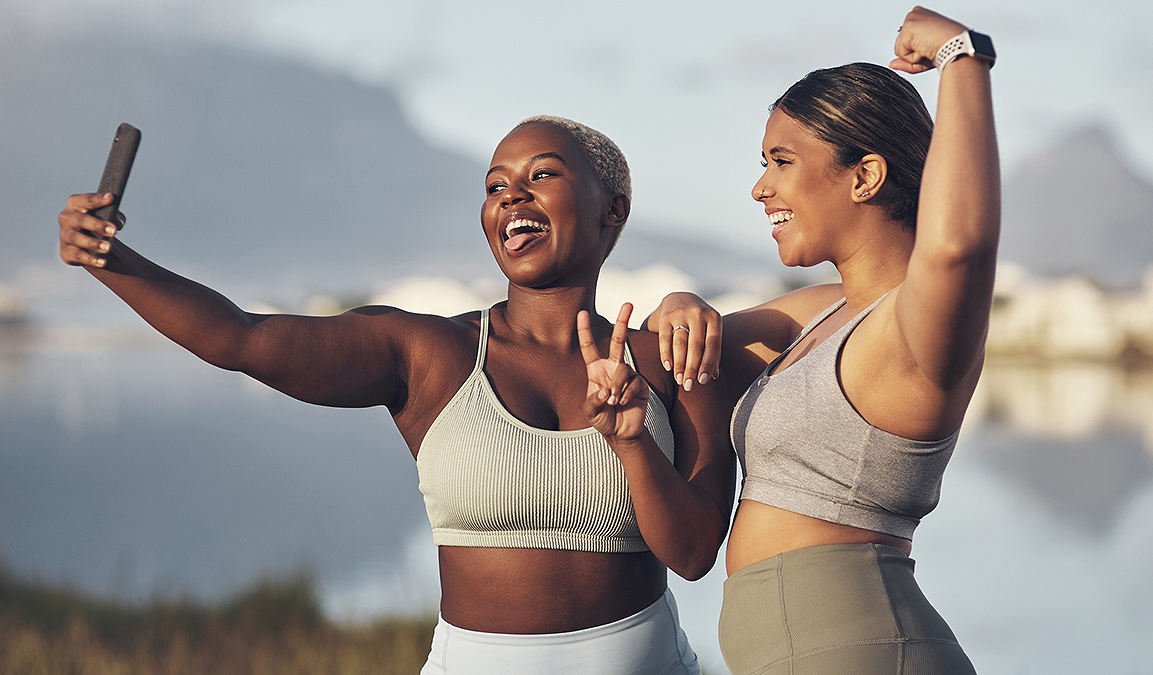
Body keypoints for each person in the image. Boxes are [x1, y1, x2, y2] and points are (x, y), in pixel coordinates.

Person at [57, 115, 734, 674]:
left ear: (611, 210)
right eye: (495, 185)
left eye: (542, 175)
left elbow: (697, 553)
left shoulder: (671, 357)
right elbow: (243, 338)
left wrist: (633, 442)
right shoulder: (428, 354)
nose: (511, 196)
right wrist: (112, 260)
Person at [648, 7, 996, 674]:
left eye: (782, 161)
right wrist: (682, 302)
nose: (760, 187)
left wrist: (962, 57)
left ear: (865, 176)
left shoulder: (917, 328)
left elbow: (959, 247)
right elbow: (681, 343)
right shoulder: (819, 314)